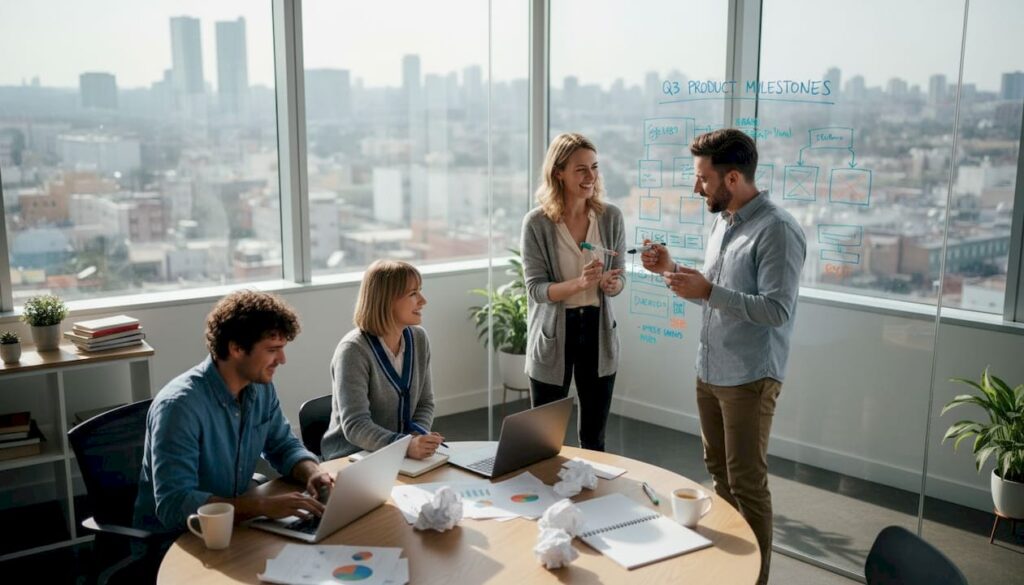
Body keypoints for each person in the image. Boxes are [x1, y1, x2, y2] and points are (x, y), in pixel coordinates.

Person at [642, 128, 806, 585]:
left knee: (747, 485)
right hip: (710, 370)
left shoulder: (778, 230)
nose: (697, 188)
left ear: (732, 178)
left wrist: (710, 290)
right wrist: (672, 270)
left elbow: (776, 309)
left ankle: (755, 579)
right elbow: (716, 296)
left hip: (750, 378)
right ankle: (729, 572)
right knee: (719, 474)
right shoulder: (723, 221)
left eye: (703, 178)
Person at [133, 290, 334, 546]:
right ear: (236, 348)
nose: (282, 360)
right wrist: (260, 506)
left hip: (237, 527)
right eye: (273, 350)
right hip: (179, 542)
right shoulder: (179, 407)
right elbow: (175, 505)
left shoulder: (260, 388)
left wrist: (312, 472)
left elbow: (283, 445)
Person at [521, 132, 625, 452]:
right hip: (555, 335)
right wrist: (578, 284)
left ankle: (592, 497)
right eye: (581, 169)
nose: (590, 176)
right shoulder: (537, 223)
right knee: (543, 440)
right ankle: (544, 500)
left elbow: (618, 281)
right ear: (559, 173)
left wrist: (611, 284)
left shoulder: (610, 217)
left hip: (597, 332)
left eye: (594, 167)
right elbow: (536, 290)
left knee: (594, 438)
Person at [320, 260, 443, 461]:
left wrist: (417, 436)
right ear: (387, 300)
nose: (423, 300)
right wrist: (404, 445)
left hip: (397, 453)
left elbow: (425, 402)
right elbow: (356, 425)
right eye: (413, 294)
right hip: (351, 457)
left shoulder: (419, 339)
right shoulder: (353, 350)